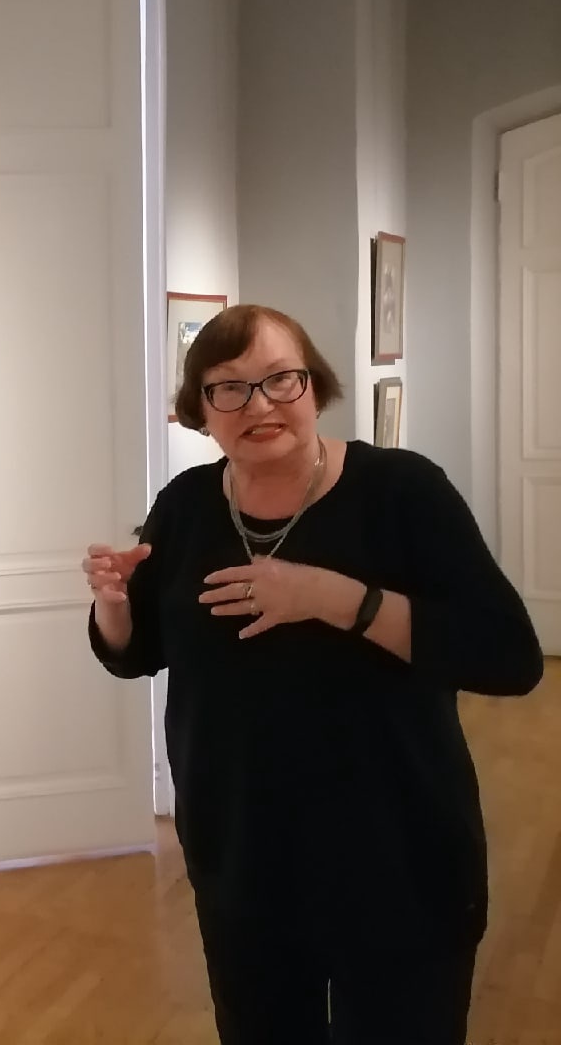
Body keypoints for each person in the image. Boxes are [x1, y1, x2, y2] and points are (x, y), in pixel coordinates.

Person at [84, 303, 543, 1045]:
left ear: (314, 384)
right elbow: (137, 654)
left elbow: (508, 656)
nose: (258, 405)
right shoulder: (187, 505)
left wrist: (335, 599)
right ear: (201, 408)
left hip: (398, 857)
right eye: (228, 388)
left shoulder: (403, 492)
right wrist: (113, 607)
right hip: (243, 858)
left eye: (280, 379)